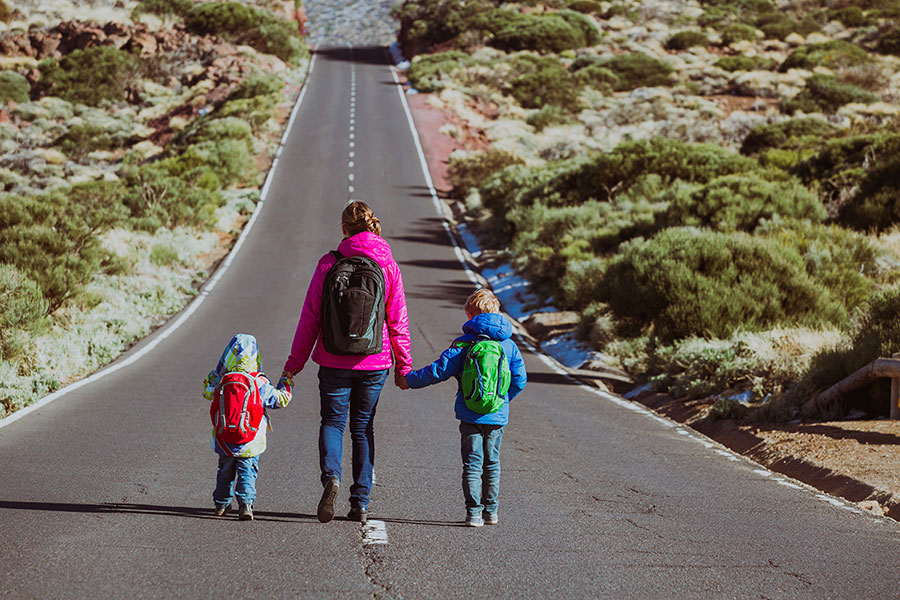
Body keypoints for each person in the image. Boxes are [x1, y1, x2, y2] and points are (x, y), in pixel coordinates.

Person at [281, 200, 412, 525]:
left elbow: (310, 317)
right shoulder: (387, 265)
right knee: (363, 427)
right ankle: (361, 502)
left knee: (333, 423)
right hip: (375, 360)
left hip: (333, 358)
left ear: (344, 229)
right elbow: (398, 321)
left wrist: (293, 365)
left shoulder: (329, 263)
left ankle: (332, 478)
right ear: (373, 226)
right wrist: (403, 365)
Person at [398, 288, 526, 527]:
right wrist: (501, 399)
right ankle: (492, 512)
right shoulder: (509, 346)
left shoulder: (464, 344)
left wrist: (408, 380)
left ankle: (474, 513)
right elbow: (520, 380)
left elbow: (437, 371)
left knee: (472, 463)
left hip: (469, 413)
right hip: (497, 415)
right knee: (492, 463)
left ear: (470, 314)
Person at [202, 333, 293, 521]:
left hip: (224, 437)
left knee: (225, 471)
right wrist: (286, 383)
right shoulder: (258, 381)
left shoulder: (222, 379)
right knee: (247, 471)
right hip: (251, 440)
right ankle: (245, 505)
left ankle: (221, 504)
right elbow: (279, 400)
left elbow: (207, 393)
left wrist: (213, 375)